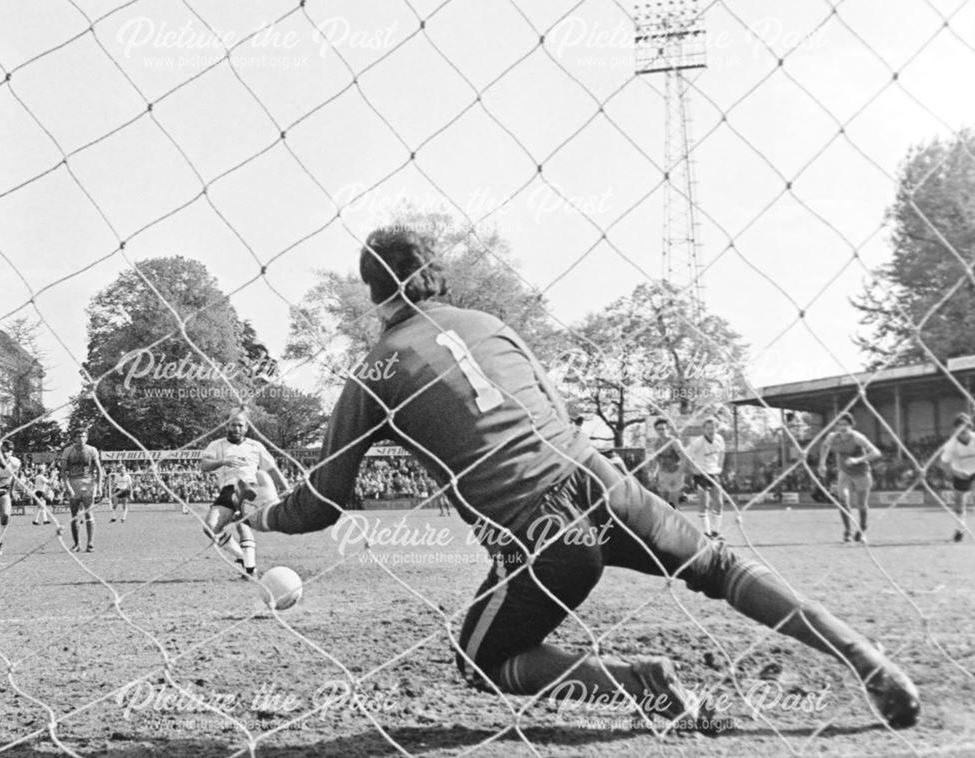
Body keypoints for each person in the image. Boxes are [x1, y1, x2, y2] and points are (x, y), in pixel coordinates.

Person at [238, 227, 919, 729]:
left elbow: (322, 503)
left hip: (538, 528)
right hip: (599, 478)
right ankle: (868, 660)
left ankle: (641, 689)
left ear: (372, 294)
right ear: (434, 276)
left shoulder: (375, 369)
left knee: (482, 660)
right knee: (719, 566)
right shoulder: (490, 323)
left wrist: (257, 515)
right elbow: (559, 410)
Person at [199, 409, 289, 578]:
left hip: (252, 489)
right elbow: (204, 466)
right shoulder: (216, 445)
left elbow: (272, 469)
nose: (236, 428)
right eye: (233, 425)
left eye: (240, 425)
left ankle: (250, 570)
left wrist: (287, 490)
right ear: (227, 426)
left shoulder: (256, 446)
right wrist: (223, 461)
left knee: (243, 524)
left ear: (246, 428)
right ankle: (243, 558)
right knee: (210, 527)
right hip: (228, 490)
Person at [817, 414, 881, 543]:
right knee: (842, 500)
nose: (842, 427)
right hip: (844, 472)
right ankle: (847, 531)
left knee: (861, 504)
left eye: (845, 424)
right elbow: (825, 447)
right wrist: (822, 464)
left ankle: (862, 531)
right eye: (839, 424)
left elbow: (876, 452)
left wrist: (857, 459)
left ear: (851, 425)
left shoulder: (857, 438)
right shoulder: (832, 437)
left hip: (861, 472)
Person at [59, 428, 104, 553]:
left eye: (83, 436)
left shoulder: (92, 450)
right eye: (78, 437)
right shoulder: (68, 451)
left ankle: (90, 543)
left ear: (87, 438)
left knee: (89, 514)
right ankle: (77, 544)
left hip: (88, 482)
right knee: (75, 515)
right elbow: (63, 471)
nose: (81, 439)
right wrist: (67, 486)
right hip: (73, 482)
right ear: (74, 438)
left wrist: (99, 486)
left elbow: (99, 469)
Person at [685, 418, 727, 540]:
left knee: (719, 503)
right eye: (708, 428)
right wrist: (692, 470)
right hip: (701, 475)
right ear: (704, 429)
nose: (711, 430)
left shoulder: (720, 439)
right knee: (704, 504)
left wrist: (720, 467)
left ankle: (716, 532)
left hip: (714, 474)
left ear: (716, 428)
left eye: (713, 428)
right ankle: (706, 534)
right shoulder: (698, 442)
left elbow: (722, 453)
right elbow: (684, 454)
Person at [939, 412, 975, 543]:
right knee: (959, 505)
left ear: (970, 427)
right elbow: (944, 464)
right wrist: (957, 473)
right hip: (959, 472)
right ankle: (960, 529)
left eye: (965, 429)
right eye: (959, 430)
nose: (962, 433)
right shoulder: (951, 444)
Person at [650, 418, 686, 509]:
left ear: (668, 429)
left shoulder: (674, 442)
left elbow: (684, 458)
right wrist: (653, 475)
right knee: (663, 504)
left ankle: (675, 521)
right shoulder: (656, 444)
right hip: (663, 474)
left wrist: (679, 474)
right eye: (659, 429)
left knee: (673, 504)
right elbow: (655, 461)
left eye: (663, 429)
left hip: (675, 473)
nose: (661, 431)